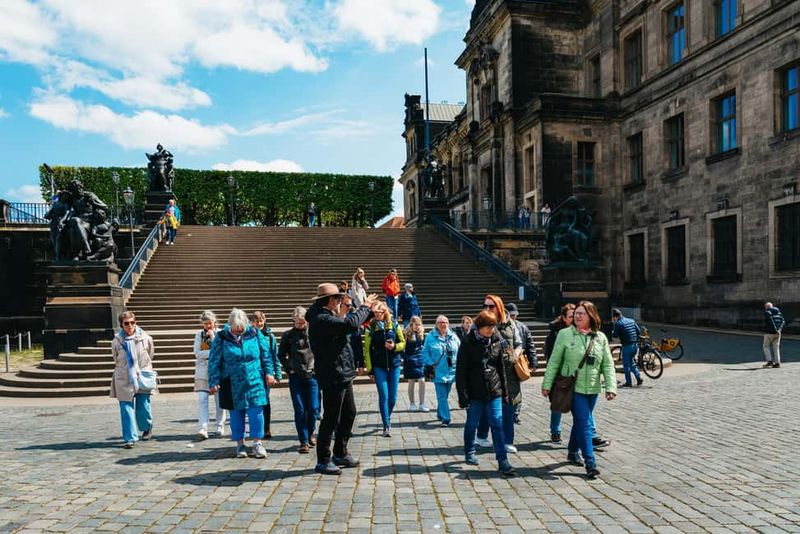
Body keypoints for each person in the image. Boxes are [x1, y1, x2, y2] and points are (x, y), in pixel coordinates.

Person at [541, 300, 617, 480]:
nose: (578, 315)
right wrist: (547, 383)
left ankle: (572, 451)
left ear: (591, 316)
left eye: (582, 313)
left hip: (592, 388)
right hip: (572, 386)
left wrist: (611, 386)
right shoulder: (564, 334)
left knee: (580, 421)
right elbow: (554, 361)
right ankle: (590, 462)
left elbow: (607, 364)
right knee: (584, 423)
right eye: (576, 313)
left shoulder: (600, 338)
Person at [307, 283, 378, 475]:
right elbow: (348, 325)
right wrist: (364, 307)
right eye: (338, 299)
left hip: (343, 371)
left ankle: (340, 451)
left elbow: (347, 326)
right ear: (331, 301)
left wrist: (370, 313)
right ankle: (323, 459)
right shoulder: (321, 319)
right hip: (332, 373)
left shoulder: (327, 316)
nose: (341, 302)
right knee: (331, 417)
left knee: (349, 413)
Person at [208, 308, 276, 459]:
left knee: (256, 411)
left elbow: (266, 354)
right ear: (230, 324)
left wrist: (269, 373)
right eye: (236, 328)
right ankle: (240, 444)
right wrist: (213, 380)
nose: (239, 331)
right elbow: (214, 360)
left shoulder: (254, 333)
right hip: (232, 382)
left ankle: (257, 443)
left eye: (241, 328)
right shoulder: (222, 337)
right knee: (236, 413)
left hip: (255, 379)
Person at [456, 310, 516, 476]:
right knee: (472, 424)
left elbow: (500, 368)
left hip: (493, 389)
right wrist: (463, 395)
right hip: (475, 391)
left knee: (496, 423)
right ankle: (469, 451)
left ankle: (502, 460)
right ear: (480, 326)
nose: (491, 330)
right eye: (488, 327)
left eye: (493, 327)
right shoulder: (468, 343)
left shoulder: (496, 341)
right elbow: (461, 372)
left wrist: (505, 391)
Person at [475, 295, 521, 453]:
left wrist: (516, 354)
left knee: (508, 405)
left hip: (508, 371)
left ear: (499, 307)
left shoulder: (510, 323)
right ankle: (481, 436)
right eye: (485, 306)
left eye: (491, 306)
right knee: (487, 406)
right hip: (491, 372)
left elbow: (519, 342)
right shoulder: (480, 322)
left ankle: (507, 440)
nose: (487, 309)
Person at [111, 311, 156, 448]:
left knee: (143, 407)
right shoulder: (117, 341)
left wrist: (142, 369)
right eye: (126, 323)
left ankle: (146, 427)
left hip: (142, 375)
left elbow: (150, 354)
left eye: (132, 322)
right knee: (126, 408)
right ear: (121, 325)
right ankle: (130, 438)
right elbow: (115, 357)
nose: (130, 326)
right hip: (124, 378)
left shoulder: (145, 338)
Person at [279, 306, 319, 453]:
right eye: (297, 323)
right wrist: (288, 368)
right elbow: (281, 354)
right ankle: (303, 441)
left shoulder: (314, 333)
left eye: (302, 323)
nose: (300, 326)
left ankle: (311, 431)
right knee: (300, 409)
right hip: (296, 376)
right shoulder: (288, 335)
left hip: (312, 375)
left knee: (314, 408)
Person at [365, 302, 406, 437]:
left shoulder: (394, 324)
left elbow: (403, 343)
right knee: (384, 396)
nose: (378, 314)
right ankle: (386, 425)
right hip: (379, 366)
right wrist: (370, 370)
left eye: (380, 312)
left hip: (394, 365)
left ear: (385, 312)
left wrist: (394, 347)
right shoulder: (370, 327)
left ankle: (386, 417)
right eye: (376, 312)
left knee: (393, 398)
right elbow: (367, 350)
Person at [421, 315, 460, 426]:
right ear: (436, 324)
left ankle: (440, 412)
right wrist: (431, 363)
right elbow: (424, 353)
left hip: (452, 371)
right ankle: (446, 418)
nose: (443, 324)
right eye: (440, 322)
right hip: (438, 371)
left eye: (445, 322)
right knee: (442, 396)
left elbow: (460, 350)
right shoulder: (430, 337)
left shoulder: (453, 336)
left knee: (445, 395)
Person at [544, 304, 575, 443]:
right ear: (563, 318)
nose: (574, 318)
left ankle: (586, 432)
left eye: (575, 315)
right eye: (570, 316)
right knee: (557, 403)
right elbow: (551, 356)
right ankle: (555, 431)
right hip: (560, 374)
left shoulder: (580, 330)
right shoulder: (555, 333)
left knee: (579, 406)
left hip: (576, 374)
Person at [194, 310, 227, 439]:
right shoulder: (199, 335)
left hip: (218, 370)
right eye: (205, 323)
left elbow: (222, 351)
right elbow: (197, 353)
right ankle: (203, 427)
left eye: (210, 323)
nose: (208, 326)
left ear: (215, 322)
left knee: (219, 400)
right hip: (202, 371)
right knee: (202, 399)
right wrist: (213, 354)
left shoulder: (220, 334)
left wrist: (213, 339)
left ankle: (220, 425)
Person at [251, 311, 282, 439]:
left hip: (266, 372)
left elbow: (275, 355)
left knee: (265, 399)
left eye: (261, 321)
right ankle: (257, 427)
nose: (259, 324)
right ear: (252, 322)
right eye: (256, 321)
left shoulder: (270, 336)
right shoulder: (249, 335)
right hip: (253, 372)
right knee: (255, 401)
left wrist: (277, 374)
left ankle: (266, 428)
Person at [507, 302, 536, 423]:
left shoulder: (522, 327)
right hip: (506, 361)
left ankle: (516, 412)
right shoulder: (502, 326)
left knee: (517, 387)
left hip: (519, 361)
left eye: (515, 315)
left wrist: (533, 362)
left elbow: (530, 345)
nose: (514, 317)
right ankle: (509, 410)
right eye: (511, 315)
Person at [611, 308, 644, 387]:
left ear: (615, 317)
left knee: (626, 365)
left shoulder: (618, 323)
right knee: (632, 363)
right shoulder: (631, 320)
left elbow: (615, 335)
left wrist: (612, 331)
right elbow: (638, 331)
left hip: (627, 346)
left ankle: (628, 382)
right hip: (635, 346)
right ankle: (638, 378)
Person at [403, 316, 428, 412]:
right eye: (416, 324)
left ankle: (422, 403)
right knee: (411, 382)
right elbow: (402, 347)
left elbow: (425, 347)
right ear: (411, 324)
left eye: (419, 324)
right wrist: (406, 357)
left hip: (420, 360)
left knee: (422, 380)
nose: (418, 326)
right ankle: (412, 403)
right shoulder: (406, 333)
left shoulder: (422, 334)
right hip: (410, 360)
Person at [763, 302, 785, 368]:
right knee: (776, 348)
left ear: (766, 307)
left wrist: (775, 330)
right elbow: (783, 321)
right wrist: (779, 330)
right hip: (778, 333)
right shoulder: (779, 313)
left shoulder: (767, 313)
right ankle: (777, 363)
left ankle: (769, 361)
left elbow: (771, 322)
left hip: (769, 332)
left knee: (766, 346)